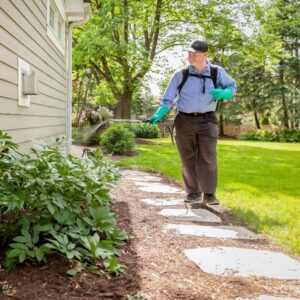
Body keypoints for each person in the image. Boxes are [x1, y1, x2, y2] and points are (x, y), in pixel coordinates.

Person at [147, 39, 237, 205]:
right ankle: (193, 192)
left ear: (205, 55)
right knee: (187, 157)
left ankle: (209, 194)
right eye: (189, 53)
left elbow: (232, 87)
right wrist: (158, 114)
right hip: (184, 120)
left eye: (194, 54)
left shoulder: (217, 72)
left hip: (207, 119)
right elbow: (168, 99)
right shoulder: (181, 74)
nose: (190, 57)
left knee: (208, 156)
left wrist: (225, 93)